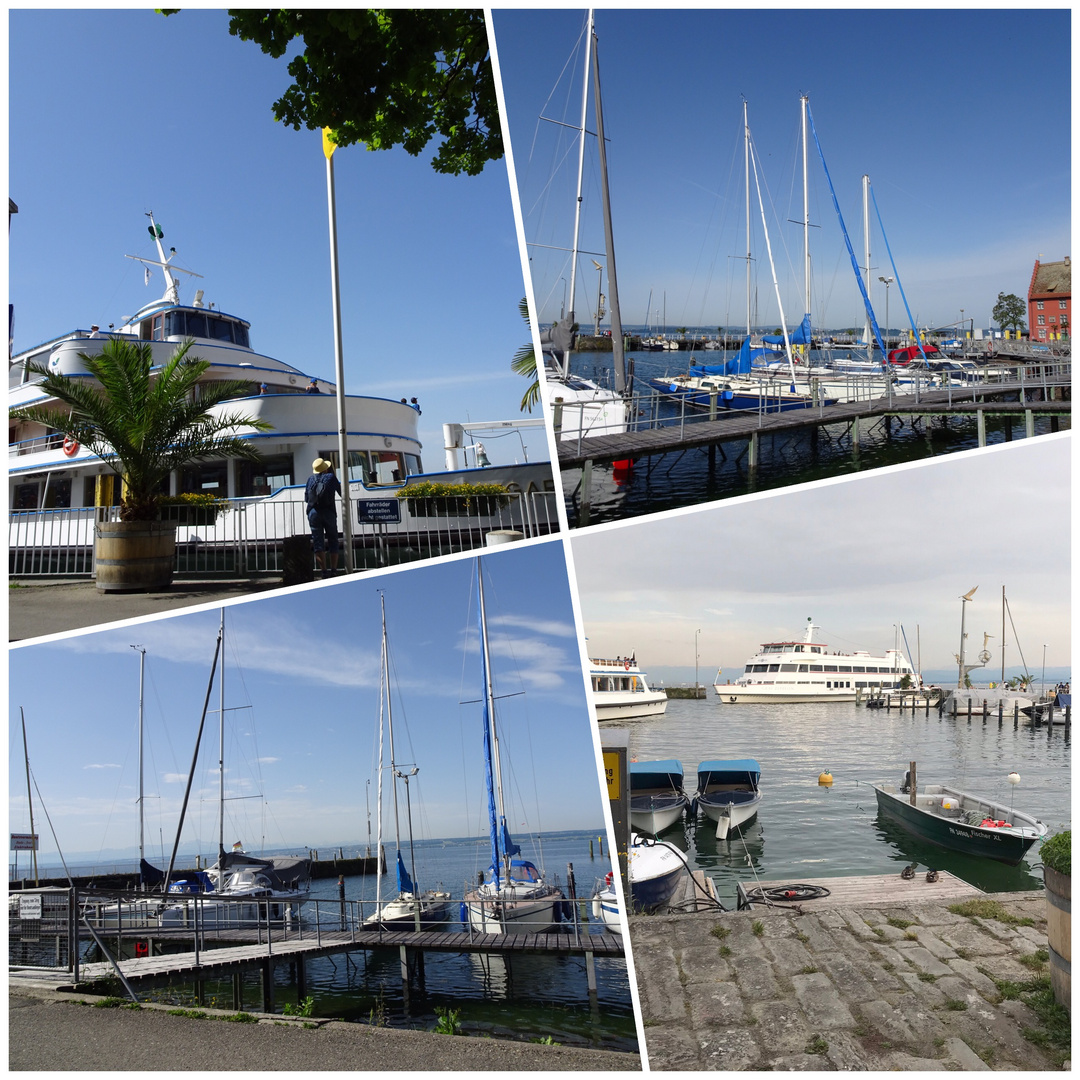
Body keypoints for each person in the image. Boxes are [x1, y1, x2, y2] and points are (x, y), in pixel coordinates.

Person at [304, 458, 342, 578]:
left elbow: (306, 498)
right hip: (328, 512)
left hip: (314, 513)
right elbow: (342, 492)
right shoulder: (331, 477)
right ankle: (334, 569)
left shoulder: (310, 479)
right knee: (333, 539)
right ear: (325, 468)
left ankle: (324, 571)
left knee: (318, 541)